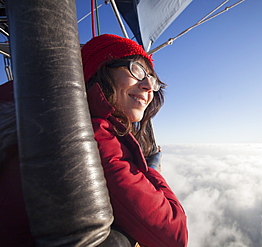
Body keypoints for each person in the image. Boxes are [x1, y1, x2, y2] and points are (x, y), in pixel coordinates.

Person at [0, 34, 188, 247]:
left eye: (152, 79)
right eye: (137, 70)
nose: (147, 85)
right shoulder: (91, 133)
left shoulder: (40, 118)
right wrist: (151, 169)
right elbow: (174, 233)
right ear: (100, 69)